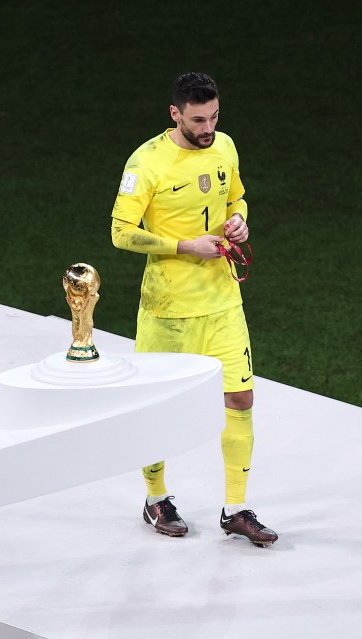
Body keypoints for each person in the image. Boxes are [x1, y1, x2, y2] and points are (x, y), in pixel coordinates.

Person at [110, 71, 277, 547]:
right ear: (175, 114)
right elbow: (121, 232)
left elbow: (235, 197)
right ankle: (156, 498)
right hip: (168, 308)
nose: (208, 127)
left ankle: (236, 509)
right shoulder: (147, 162)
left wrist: (239, 219)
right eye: (199, 119)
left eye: (215, 116)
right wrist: (184, 246)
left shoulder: (225, 146)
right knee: (156, 408)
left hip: (223, 302)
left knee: (240, 399)